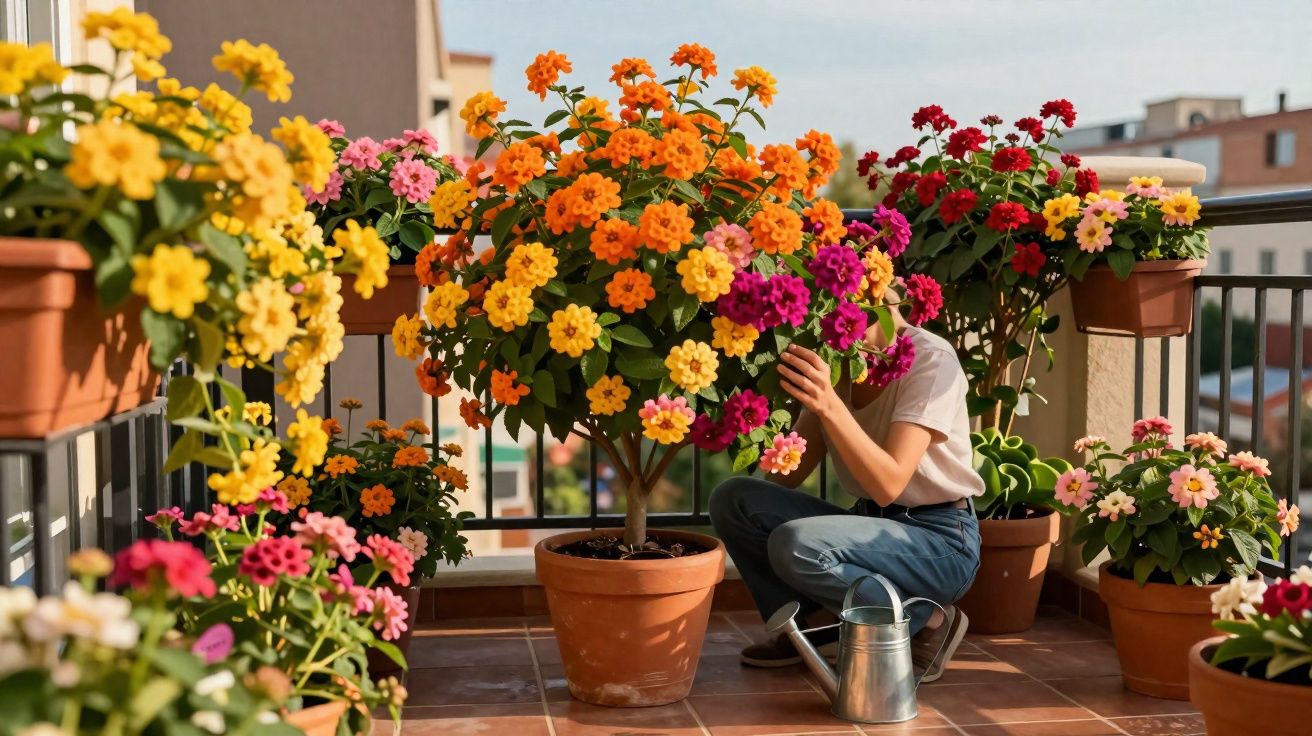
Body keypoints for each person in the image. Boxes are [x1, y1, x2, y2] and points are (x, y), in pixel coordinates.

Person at [708, 301, 982, 682]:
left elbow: (888, 485)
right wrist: (750, 414)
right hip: (870, 525)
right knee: (734, 500)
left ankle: (928, 621)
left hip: (939, 540)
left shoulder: (931, 359)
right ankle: (812, 626)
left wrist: (829, 405)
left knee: (796, 544)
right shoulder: (838, 360)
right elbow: (787, 476)